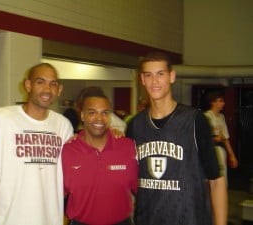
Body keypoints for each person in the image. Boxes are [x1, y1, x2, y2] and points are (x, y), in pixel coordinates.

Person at [0, 63, 74, 225]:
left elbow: (77, 171)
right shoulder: (0, 119)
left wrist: (112, 138)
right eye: (40, 82)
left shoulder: (63, 126)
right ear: (28, 85)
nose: (47, 89)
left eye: (53, 84)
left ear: (59, 89)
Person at [126, 52, 227, 225]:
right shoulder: (135, 125)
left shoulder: (195, 120)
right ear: (142, 79)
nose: (154, 81)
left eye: (160, 74)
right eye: (148, 75)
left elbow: (216, 180)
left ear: (172, 76)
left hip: (188, 218)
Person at [62, 87, 138, 225]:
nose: (99, 118)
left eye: (104, 113)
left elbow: (142, 190)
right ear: (83, 115)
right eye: (92, 112)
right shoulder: (67, 151)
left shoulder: (128, 147)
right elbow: (58, 193)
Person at [204, 91, 238, 185]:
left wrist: (232, 155)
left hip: (221, 150)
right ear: (213, 102)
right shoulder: (207, 116)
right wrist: (214, 139)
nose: (223, 103)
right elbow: (203, 138)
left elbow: (225, 138)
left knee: (222, 175)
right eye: (220, 101)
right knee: (212, 177)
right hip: (211, 150)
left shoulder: (221, 117)